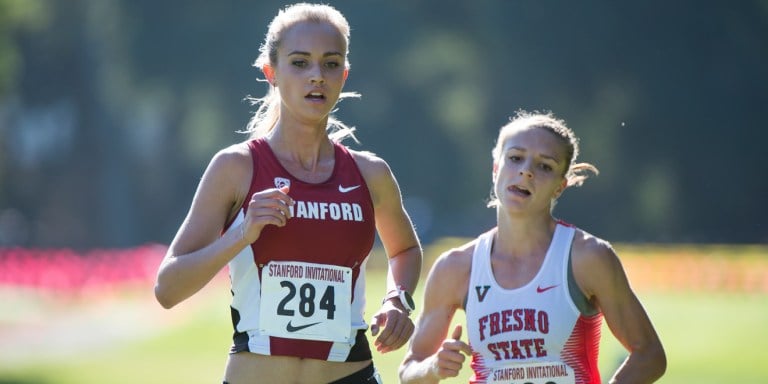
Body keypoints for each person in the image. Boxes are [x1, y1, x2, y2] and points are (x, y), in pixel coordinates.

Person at [154, 3, 422, 383]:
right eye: (300, 63)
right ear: (271, 73)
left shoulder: (370, 173)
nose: (317, 76)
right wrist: (241, 234)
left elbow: (405, 250)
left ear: (344, 75)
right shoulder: (236, 167)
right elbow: (167, 289)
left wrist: (399, 300)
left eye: (330, 64)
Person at [399, 111, 666, 384]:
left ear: (559, 187)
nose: (526, 171)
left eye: (545, 166)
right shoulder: (454, 267)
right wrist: (433, 367)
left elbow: (650, 355)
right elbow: (409, 372)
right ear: (495, 169)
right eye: (515, 158)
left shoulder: (587, 257)